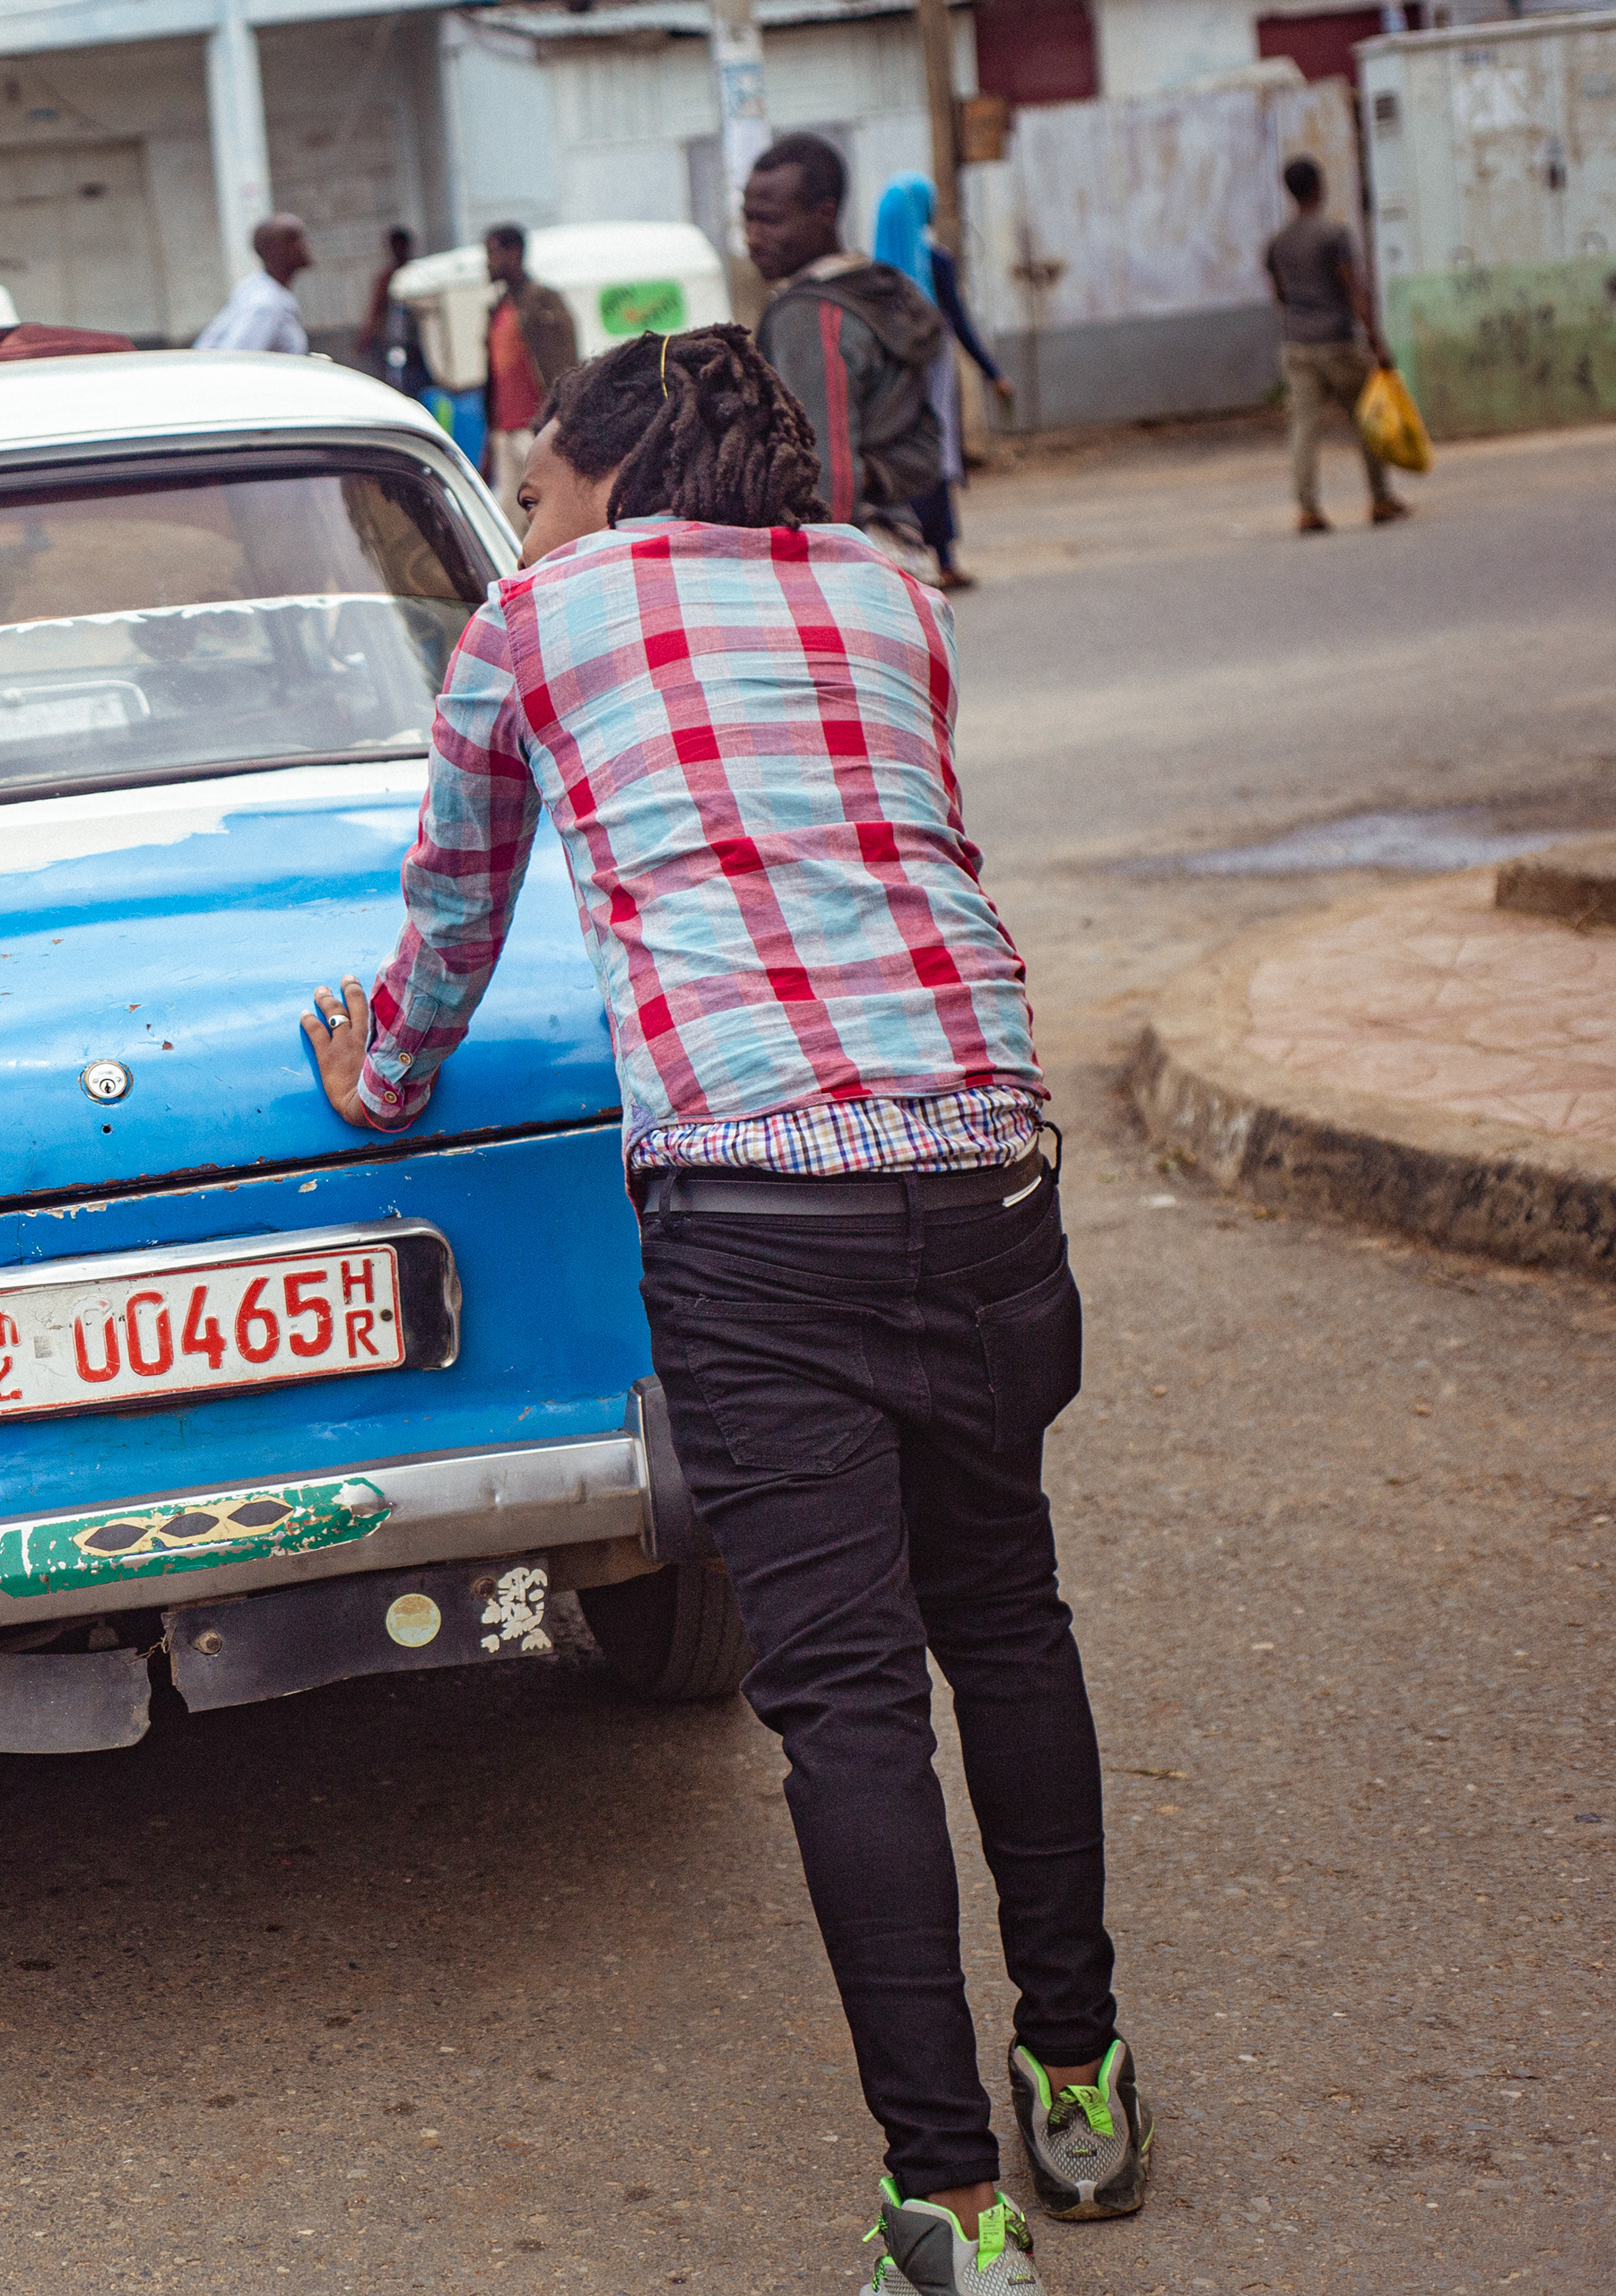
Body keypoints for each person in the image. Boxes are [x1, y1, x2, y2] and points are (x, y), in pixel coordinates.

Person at [300, 326, 1147, 2294]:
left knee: (848, 1697)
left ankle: (947, 2206)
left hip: (764, 1207)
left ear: (603, 476)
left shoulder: (534, 620)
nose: (524, 520)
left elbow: (453, 916)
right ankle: (1082, 2074)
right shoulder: (891, 592)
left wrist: (383, 1084)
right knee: (1006, 1618)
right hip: (990, 1164)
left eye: (531, 487)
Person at [743, 135, 945, 530]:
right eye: (747, 218)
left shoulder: (812, 316)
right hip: (898, 538)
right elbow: (927, 451)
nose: (752, 236)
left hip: (844, 555)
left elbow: (825, 482)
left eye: (770, 219)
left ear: (824, 213)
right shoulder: (880, 292)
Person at [873, 173, 1015, 591]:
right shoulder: (936, 260)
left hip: (891, 380)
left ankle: (915, 558)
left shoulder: (875, 274)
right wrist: (994, 373)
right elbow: (960, 323)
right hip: (932, 374)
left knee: (905, 461)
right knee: (937, 459)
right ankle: (945, 560)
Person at [1265, 154, 1405, 533]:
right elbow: (1355, 291)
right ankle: (1380, 499)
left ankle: (1307, 508)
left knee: (1304, 429)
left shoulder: (1277, 244)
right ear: (1318, 186)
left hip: (1297, 345)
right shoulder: (1334, 235)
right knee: (1367, 418)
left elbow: (1279, 295)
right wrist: (1377, 342)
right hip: (1337, 342)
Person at [479, 223, 581, 518]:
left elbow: (564, 368)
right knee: (508, 521)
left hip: (536, 430)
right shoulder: (499, 308)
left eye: (493, 253)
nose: (488, 262)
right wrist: (490, 437)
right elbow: (495, 380)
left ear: (516, 253)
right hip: (504, 432)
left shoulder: (543, 301)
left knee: (549, 512)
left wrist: (559, 423)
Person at [194, 213, 312, 354]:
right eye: (292, 239)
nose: (304, 245)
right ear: (273, 250)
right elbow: (236, 362)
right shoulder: (266, 304)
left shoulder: (263, 289)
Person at [356, 224, 427, 396]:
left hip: (420, 342)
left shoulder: (419, 274)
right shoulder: (386, 278)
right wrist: (366, 337)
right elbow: (377, 308)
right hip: (395, 343)